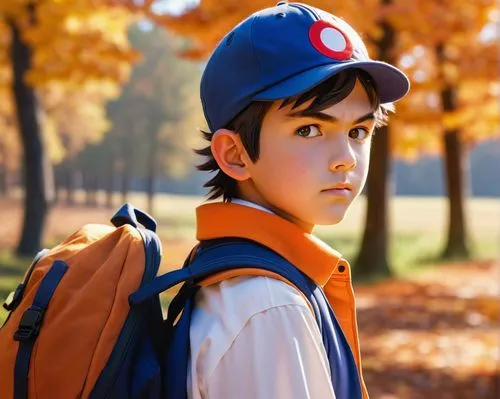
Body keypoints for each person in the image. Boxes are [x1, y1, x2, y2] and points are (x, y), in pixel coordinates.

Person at [188, 2, 410, 398]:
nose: (345, 158)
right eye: (309, 129)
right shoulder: (269, 307)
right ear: (235, 155)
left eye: (359, 131)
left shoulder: (245, 275)